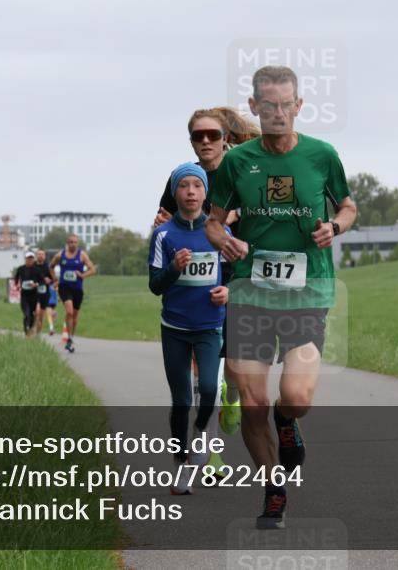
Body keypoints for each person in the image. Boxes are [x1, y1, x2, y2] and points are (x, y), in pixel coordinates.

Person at [206, 65, 357, 529]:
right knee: (252, 401)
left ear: (298, 107)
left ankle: (288, 421)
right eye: (267, 105)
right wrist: (223, 239)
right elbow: (213, 221)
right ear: (254, 107)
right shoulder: (237, 162)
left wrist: (335, 226)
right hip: (250, 292)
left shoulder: (321, 156)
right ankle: (274, 489)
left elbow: (348, 206)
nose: (277, 113)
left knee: (295, 395)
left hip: (307, 291)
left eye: (285, 105)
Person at [152, 108, 255, 436]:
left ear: (229, 139)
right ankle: (209, 451)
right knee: (200, 372)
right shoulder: (187, 178)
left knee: (235, 369)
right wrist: (161, 225)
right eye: (199, 136)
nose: (206, 141)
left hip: (237, 275)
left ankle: (233, 395)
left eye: (214, 135)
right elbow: (165, 221)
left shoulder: (248, 174)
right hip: (199, 281)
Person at [149, 163, 230, 494]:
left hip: (210, 327)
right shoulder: (163, 234)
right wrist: (174, 267)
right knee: (181, 399)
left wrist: (228, 293)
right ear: (175, 193)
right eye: (184, 186)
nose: (192, 191)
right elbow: (155, 285)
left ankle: (200, 440)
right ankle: (181, 460)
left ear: (206, 193)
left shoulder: (220, 233)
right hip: (175, 328)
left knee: (209, 388)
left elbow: (235, 275)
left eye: (198, 185)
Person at [50, 234, 97, 352]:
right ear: (67, 243)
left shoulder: (82, 255)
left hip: (77, 289)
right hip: (64, 288)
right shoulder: (60, 255)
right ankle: (69, 338)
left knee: (75, 315)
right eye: (71, 242)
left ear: (78, 243)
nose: (73, 244)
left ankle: (71, 337)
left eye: (75, 242)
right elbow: (51, 267)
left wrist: (82, 275)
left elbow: (93, 270)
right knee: (69, 312)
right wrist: (55, 279)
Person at [14, 251, 48, 336]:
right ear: (25, 259)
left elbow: (42, 281)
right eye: (28, 258)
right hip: (24, 296)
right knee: (27, 314)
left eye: (31, 258)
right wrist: (17, 285)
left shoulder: (37, 270)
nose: (30, 260)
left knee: (33, 315)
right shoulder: (21, 269)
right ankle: (26, 331)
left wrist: (36, 284)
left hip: (34, 296)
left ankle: (30, 329)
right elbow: (16, 278)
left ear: (33, 259)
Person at [34, 249, 53, 335]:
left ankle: (38, 334)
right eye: (39, 254)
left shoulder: (48, 267)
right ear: (36, 256)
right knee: (36, 312)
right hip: (34, 293)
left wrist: (50, 280)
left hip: (44, 294)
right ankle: (31, 329)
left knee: (40, 317)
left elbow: (53, 279)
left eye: (42, 254)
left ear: (45, 257)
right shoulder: (32, 266)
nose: (41, 256)